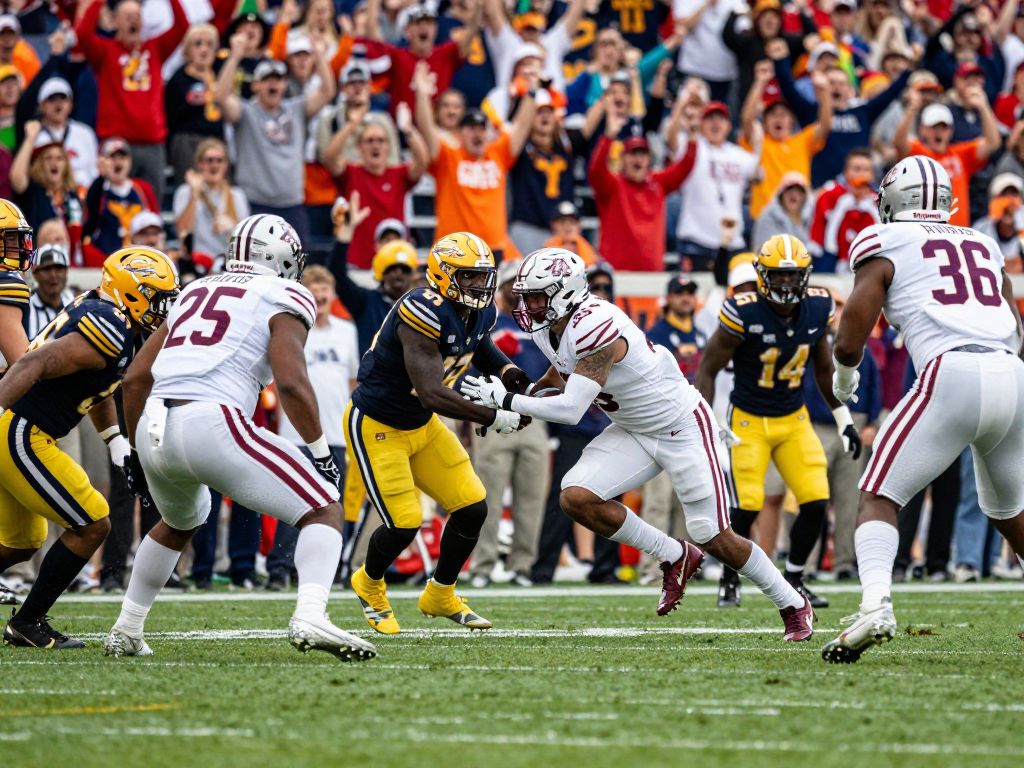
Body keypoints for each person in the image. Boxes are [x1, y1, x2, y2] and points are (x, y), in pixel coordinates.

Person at [464, 247, 815, 640]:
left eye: (536, 296)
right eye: (525, 296)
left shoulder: (595, 324)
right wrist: (527, 399)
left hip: (681, 426)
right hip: (632, 428)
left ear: (565, 292)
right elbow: (562, 371)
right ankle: (673, 556)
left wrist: (506, 402)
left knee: (713, 533)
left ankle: (793, 602)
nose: (527, 306)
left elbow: (571, 410)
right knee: (576, 497)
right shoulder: (553, 324)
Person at [104, 214, 375, 662]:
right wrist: (321, 451)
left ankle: (127, 628)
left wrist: (135, 452)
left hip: (155, 428)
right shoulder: (285, 293)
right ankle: (310, 613)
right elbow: (291, 382)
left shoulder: (194, 289)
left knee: (179, 521)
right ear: (282, 258)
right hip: (213, 421)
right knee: (325, 505)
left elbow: (134, 378)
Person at [822, 155, 1024, 663]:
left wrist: (844, 382)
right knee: (1009, 510)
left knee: (877, 495)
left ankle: (874, 606)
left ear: (893, 200)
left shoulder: (882, 240)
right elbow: (1014, 325)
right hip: (1010, 372)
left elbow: (849, 339)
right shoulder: (979, 242)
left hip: (952, 372)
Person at [344, 232, 528, 636]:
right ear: (443, 276)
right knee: (404, 522)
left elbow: (477, 343)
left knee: (472, 505)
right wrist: (493, 414)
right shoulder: (420, 310)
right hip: (379, 424)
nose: (480, 286)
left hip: (420, 424)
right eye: (470, 277)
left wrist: (507, 372)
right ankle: (369, 581)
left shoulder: (475, 311)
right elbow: (432, 392)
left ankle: (441, 593)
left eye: (483, 277)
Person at [0, 246, 179, 648]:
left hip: (23, 430)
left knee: (21, 541)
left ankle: (26, 623)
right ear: (132, 291)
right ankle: (28, 623)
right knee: (92, 523)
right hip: (21, 431)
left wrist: (117, 444)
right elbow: (33, 363)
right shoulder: (110, 324)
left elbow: (98, 387)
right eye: (157, 297)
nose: (163, 309)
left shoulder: (109, 317)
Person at [695, 235, 863, 610]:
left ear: (805, 276)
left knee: (816, 501)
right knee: (748, 506)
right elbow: (707, 369)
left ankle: (796, 579)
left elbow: (823, 367)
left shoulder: (818, 306)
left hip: (792, 418)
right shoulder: (743, 310)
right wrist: (703, 421)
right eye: (778, 276)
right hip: (749, 421)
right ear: (761, 276)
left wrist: (843, 419)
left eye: (792, 276)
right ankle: (728, 578)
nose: (786, 284)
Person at [267, 265, 359, 590]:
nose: (320, 295)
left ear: (332, 294)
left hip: (335, 432)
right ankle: (279, 569)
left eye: (325, 288)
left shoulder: (347, 331)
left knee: (333, 503)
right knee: (291, 502)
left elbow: (351, 383)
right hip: (295, 433)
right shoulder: (291, 330)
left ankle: (329, 570)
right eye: (314, 288)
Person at [468, 259, 551, 588]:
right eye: (511, 285)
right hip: (493, 414)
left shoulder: (540, 325)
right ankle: (483, 566)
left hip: (534, 417)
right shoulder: (485, 321)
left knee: (531, 496)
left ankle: (522, 565)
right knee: (487, 494)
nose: (516, 292)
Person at [214, 35, 337, 246]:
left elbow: (328, 92)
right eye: (267, 79)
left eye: (278, 79)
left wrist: (318, 55)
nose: (273, 84)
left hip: (292, 205)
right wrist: (235, 57)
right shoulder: (246, 112)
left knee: (296, 269)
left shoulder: (296, 109)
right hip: (254, 205)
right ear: (255, 86)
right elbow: (221, 98)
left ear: (284, 85)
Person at [415, 62, 535, 259]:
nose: (477, 133)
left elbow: (522, 126)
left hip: (493, 249)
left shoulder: (498, 153)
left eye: (481, 128)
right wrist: (422, 94)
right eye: (471, 128)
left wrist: (531, 92)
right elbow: (426, 127)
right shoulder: (448, 156)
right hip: (454, 251)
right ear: (460, 133)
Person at [75, 0, 191, 204]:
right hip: (117, 143)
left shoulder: (155, 48)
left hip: (153, 143)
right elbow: (83, 35)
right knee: (113, 206)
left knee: (151, 206)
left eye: (137, 15)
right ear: (114, 21)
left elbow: (182, 26)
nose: (133, 21)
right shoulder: (105, 51)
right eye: (127, 16)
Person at [323, 102, 428, 268]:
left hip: (394, 264)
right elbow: (329, 158)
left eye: (381, 140)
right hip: (358, 263)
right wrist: (351, 125)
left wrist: (407, 129)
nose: (375, 145)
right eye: (369, 140)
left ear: (388, 147)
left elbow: (422, 162)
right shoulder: (351, 173)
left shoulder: (398, 174)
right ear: (359, 147)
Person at [589, 113, 696, 271]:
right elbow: (595, 171)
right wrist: (608, 136)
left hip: (651, 275)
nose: (637, 159)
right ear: (622, 159)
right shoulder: (613, 185)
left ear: (648, 160)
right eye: (632, 154)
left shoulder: (658, 182)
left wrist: (692, 137)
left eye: (642, 154)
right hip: (616, 274)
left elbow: (685, 167)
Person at [327, 193, 418, 354]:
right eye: (392, 268)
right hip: (373, 377)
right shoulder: (366, 302)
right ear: (381, 272)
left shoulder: (422, 305)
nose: (398, 274)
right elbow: (337, 274)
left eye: (404, 269)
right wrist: (347, 229)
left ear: (413, 273)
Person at [894, 94, 1001, 228]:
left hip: (959, 233)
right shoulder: (917, 153)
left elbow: (993, 142)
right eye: (934, 127)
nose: (939, 132)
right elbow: (899, 143)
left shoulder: (961, 154)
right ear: (922, 130)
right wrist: (912, 110)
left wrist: (983, 106)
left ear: (951, 131)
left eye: (943, 127)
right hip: (926, 232)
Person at [10, 122, 83, 257]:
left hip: (73, 262)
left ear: (66, 165)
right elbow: (17, 178)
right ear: (39, 165)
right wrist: (30, 139)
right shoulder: (33, 192)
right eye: (48, 158)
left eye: (59, 158)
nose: (54, 163)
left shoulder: (72, 195)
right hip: (41, 262)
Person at [164, 23, 224, 186]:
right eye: (198, 44)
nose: (204, 49)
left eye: (209, 44)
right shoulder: (178, 79)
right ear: (187, 50)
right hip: (187, 142)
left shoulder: (220, 76)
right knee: (191, 188)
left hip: (217, 141)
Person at [82, 138, 158, 264]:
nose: (117, 162)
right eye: (112, 157)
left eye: (122, 157)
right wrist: (101, 178)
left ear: (130, 161)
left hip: (140, 262)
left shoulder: (143, 189)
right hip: (105, 261)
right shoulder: (96, 191)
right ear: (102, 162)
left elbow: (155, 224)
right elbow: (89, 221)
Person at [172, 138, 249, 259]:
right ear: (199, 164)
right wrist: (194, 194)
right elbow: (183, 231)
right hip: (198, 261)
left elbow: (246, 241)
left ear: (225, 165)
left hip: (227, 262)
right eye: (209, 160)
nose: (214, 165)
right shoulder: (185, 192)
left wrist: (233, 227)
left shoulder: (237, 195)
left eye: (219, 160)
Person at [809, 148, 881, 272]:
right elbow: (818, 237)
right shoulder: (829, 196)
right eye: (857, 169)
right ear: (846, 172)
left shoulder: (879, 202)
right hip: (832, 259)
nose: (862, 174)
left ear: (872, 175)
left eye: (866, 170)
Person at [22, 77, 98, 189]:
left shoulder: (85, 133)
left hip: (83, 196)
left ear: (71, 103)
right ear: (41, 106)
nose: (58, 104)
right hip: (47, 197)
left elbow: (94, 171)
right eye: (51, 99)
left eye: (63, 98)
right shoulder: (34, 135)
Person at [543, 200, 595, 265]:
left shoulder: (590, 251)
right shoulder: (544, 252)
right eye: (562, 222)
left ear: (579, 226)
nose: (567, 226)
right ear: (553, 225)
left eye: (572, 222)